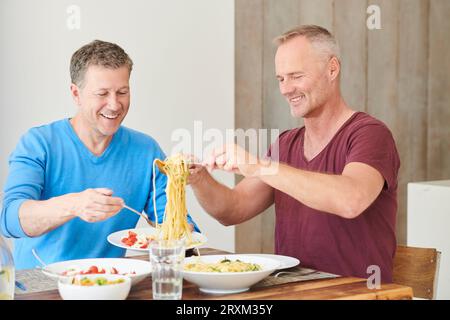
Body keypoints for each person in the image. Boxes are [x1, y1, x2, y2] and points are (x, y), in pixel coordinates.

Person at [189, 25, 400, 283]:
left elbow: (351, 199)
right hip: (294, 293)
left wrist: (259, 166)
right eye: (281, 79)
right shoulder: (286, 144)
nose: (286, 89)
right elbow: (232, 209)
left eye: (296, 76)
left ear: (332, 69)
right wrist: (198, 178)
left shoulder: (370, 134)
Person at [0, 40, 197, 269]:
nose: (114, 105)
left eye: (122, 92)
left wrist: (191, 181)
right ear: (76, 94)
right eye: (102, 93)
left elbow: (179, 229)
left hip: (112, 281)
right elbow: (9, 219)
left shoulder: (146, 151)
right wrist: (75, 204)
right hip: (40, 285)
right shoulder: (38, 143)